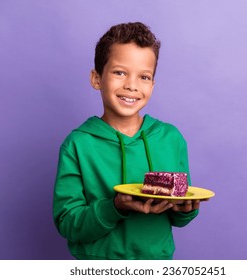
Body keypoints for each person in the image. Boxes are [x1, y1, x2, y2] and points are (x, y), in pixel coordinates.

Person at [53, 22, 200, 260]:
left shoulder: (171, 139)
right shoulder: (78, 145)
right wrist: (115, 207)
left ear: (152, 84)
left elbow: (180, 216)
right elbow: (67, 223)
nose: (131, 85)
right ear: (96, 78)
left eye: (144, 76)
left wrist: (186, 211)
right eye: (120, 72)